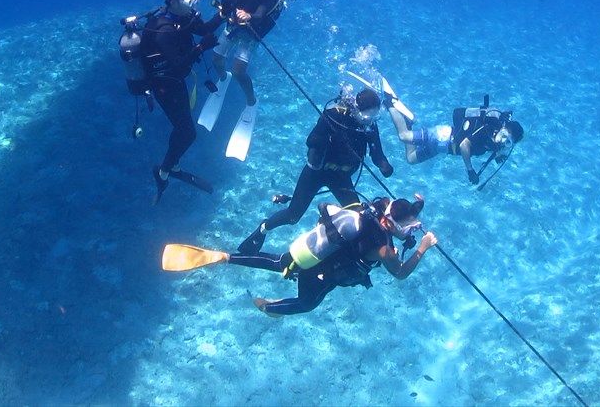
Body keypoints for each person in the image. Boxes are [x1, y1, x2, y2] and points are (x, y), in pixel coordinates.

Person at [162, 195, 437, 316]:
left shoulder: (380, 207)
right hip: (324, 272)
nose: (412, 229)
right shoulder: (385, 248)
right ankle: (267, 307)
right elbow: (400, 273)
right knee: (307, 304)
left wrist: (417, 204)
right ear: (389, 223)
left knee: (278, 261)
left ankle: (225, 256)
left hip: (314, 250)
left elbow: (327, 207)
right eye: (409, 226)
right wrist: (423, 247)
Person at [237, 85, 393, 254]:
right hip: (316, 172)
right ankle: (263, 229)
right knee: (293, 216)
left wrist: (385, 167)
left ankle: (340, 254)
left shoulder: (369, 126)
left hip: (341, 176)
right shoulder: (334, 116)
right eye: (367, 114)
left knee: (357, 215)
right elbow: (312, 141)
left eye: (373, 115)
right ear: (357, 108)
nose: (369, 119)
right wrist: (331, 138)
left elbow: (377, 154)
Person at [138, 0, 224, 202]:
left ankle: (172, 164)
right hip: (164, 85)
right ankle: (164, 171)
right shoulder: (162, 29)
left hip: (176, 80)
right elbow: (177, 63)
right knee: (187, 132)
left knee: (181, 128)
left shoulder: (183, 15)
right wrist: (200, 47)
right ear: (174, 1)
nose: (193, 3)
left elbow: (204, 28)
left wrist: (224, 13)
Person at [211, 0, 292, 109]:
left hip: (254, 29)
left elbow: (261, 14)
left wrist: (249, 16)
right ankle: (222, 79)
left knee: (238, 71)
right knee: (216, 58)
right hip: (235, 23)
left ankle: (251, 102)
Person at [388, 94, 523, 184]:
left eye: (508, 142)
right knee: (403, 136)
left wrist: (497, 155)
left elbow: (490, 146)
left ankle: (408, 122)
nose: (503, 141)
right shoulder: (486, 131)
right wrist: (470, 170)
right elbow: (464, 146)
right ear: (503, 127)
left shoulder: (495, 140)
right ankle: (389, 103)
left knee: (410, 159)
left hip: (441, 148)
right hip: (441, 136)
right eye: (504, 135)